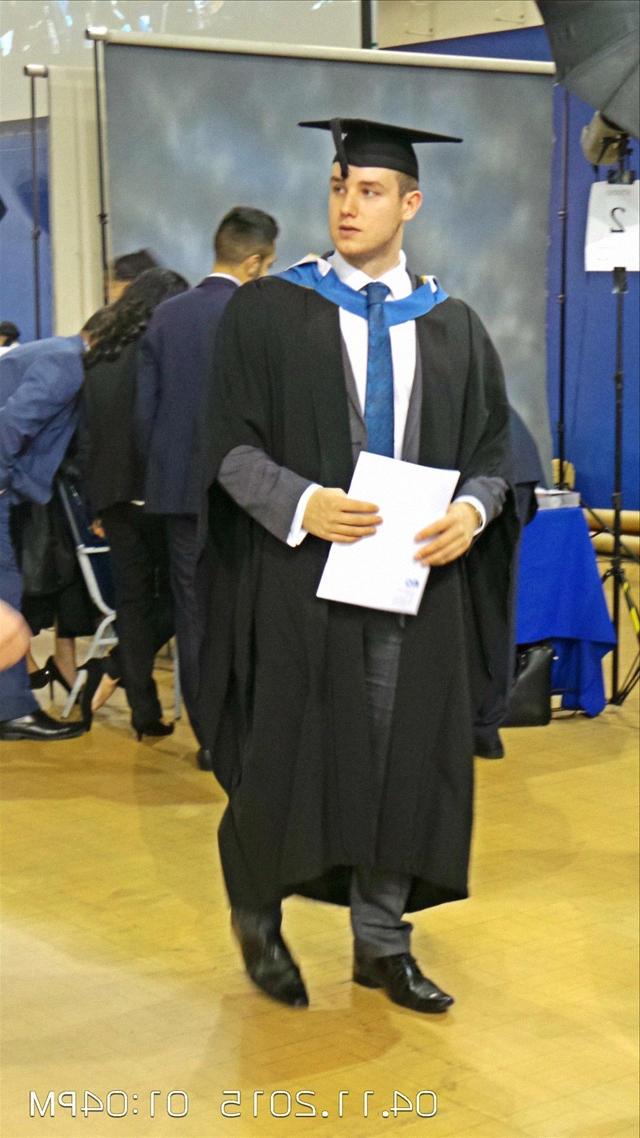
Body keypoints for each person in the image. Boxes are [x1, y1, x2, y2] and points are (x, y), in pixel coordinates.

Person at [201, 118, 518, 1013]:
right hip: (299, 586)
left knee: (399, 762)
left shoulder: (454, 328)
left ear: (410, 204)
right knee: (280, 755)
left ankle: (381, 944)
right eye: (340, 186)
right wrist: (302, 502)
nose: (348, 204)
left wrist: (472, 511)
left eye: (370, 191)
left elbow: (495, 456)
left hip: (413, 588)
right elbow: (225, 447)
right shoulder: (270, 312)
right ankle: (258, 916)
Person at [135, 207, 278, 769]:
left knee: (193, 614)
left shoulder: (165, 316)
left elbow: (144, 415)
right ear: (255, 261)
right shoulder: (259, 314)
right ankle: (254, 731)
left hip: (179, 496)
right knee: (252, 610)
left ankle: (211, 739)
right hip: (250, 496)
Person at [79, 268, 189, 739]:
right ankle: (115, 664)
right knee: (187, 595)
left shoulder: (100, 353)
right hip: (158, 489)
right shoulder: (159, 348)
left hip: (112, 494)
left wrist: (95, 505)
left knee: (133, 600)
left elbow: (85, 436)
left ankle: (143, 709)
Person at [0, 327, 92, 740]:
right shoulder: (67, 362)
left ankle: (12, 707)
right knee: (5, 596)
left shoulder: (54, 353)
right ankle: (13, 710)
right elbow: (10, 423)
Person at [473, 407, 544, 759]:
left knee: (487, 601)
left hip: (494, 469)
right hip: (509, 465)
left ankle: (482, 725)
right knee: (494, 601)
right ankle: (484, 726)